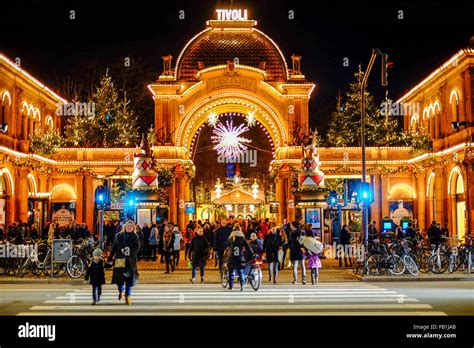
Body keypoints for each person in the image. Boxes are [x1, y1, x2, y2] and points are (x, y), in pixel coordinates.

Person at [107, 220, 140, 305]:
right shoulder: (119, 236)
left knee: (129, 279)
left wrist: (130, 251)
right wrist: (110, 258)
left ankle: (127, 296)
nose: (129, 227)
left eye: (131, 226)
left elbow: (137, 248)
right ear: (125, 226)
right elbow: (114, 248)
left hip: (130, 260)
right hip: (120, 259)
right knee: (119, 279)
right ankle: (121, 290)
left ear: (133, 228)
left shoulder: (135, 236)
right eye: (128, 225)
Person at [227, 227, 254, 291]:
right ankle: (242, 285)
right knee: (240, 272)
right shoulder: (242, 238)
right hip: (239, 257)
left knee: (231, 272)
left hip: (231, 257)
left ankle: (231, 286)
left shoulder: (230, 238)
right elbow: (248, 248)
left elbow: (228, 247)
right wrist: (252, 254)